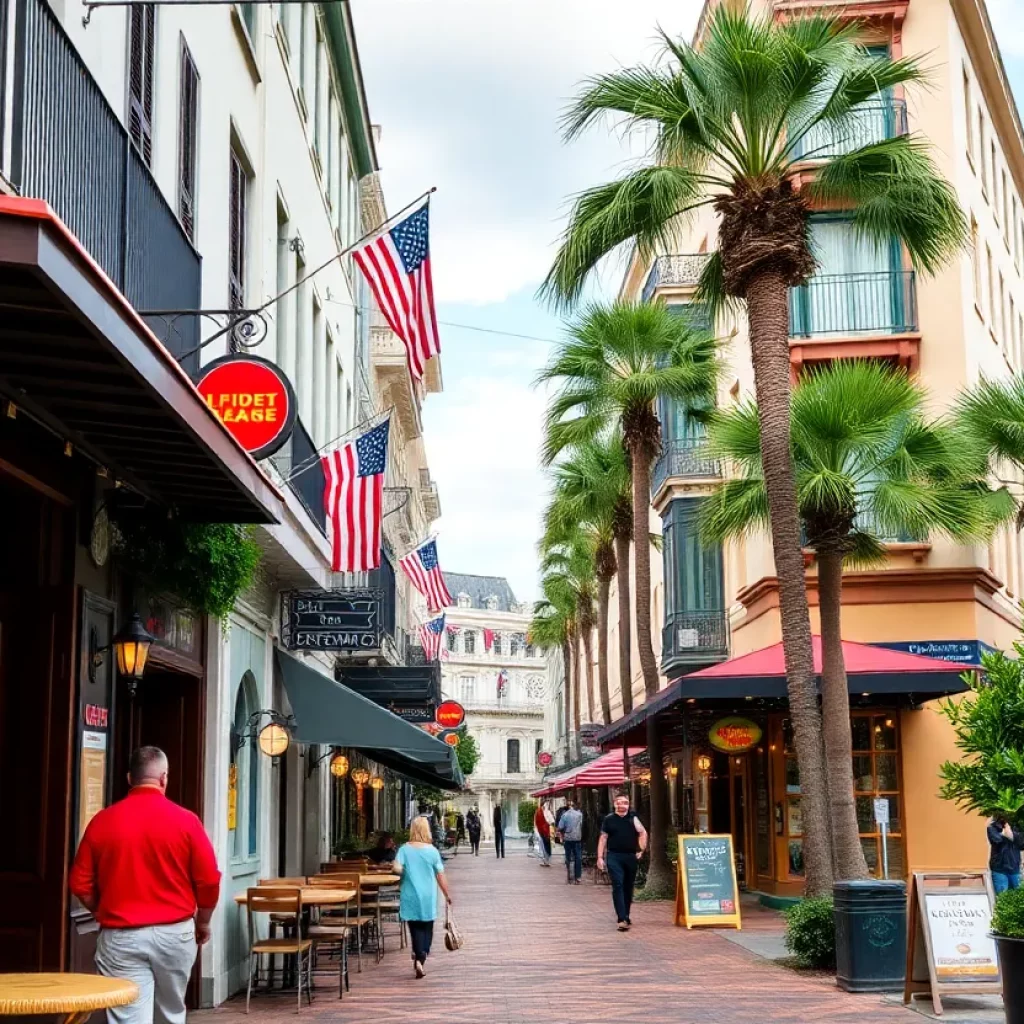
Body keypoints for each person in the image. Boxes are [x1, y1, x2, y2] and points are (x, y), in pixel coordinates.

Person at [69, 746, 221, 1024]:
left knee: (129, 1017)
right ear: (164, 778)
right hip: (175, 933)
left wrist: (100, 911)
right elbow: (209, 880)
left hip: (121, 935)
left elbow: (79, 883)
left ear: (130, 778)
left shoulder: (102, 821)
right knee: (171, 1012)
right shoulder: (187, 822)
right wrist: (203, 922)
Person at [392, 815, 452, 978]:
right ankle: (422, 955)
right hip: (428, 895)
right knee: (427, 927)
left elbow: (396, 867)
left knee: (415, 927)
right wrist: (447, 894)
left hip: (410, 894)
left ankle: (418, 954)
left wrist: (399, 871)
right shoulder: (432, 851)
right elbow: (440, 875)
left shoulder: (404, 849)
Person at [597, 792, 648, 931]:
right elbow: (603, 838)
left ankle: (626, 914)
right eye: (619, 802)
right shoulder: (609, 819)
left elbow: (643, 832)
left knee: (628, 886)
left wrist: (641, 850)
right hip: (614, 856)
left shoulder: (633, 818)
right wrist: (600, 857)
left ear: (628, 804)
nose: (622, 805)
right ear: (615, 804)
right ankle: (621, 918)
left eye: (625, 802)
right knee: (618, 884)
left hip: (630, 856)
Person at [988, 815, 1024, 893]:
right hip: (999, 869)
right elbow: (996, 840)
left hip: (1015, 868)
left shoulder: (1017, 827)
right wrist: (1005, 834)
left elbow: (1022, 844)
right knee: (1002, 898)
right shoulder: (992, 827)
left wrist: (1011, 834)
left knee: (1018, 898)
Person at [558, 799, 584, 885]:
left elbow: (560, 827)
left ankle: (570, 877)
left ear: (567, 806)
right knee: (578, 858)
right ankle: (578, 878)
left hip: (568, 838)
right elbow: (582, 825)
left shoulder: (564, 815)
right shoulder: (580, 814)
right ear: (574, 806)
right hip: (577, 838)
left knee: (568, 857)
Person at [534, 800, 553, 867]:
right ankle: (546, 860)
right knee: (544, 846)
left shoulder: (541, 812)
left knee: (545, 845)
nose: (546, 806)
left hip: (544, 831)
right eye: (545, 805)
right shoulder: (540, 812)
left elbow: (536, 822)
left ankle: (546, 860)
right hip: (543, 831)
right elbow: (551, 821)